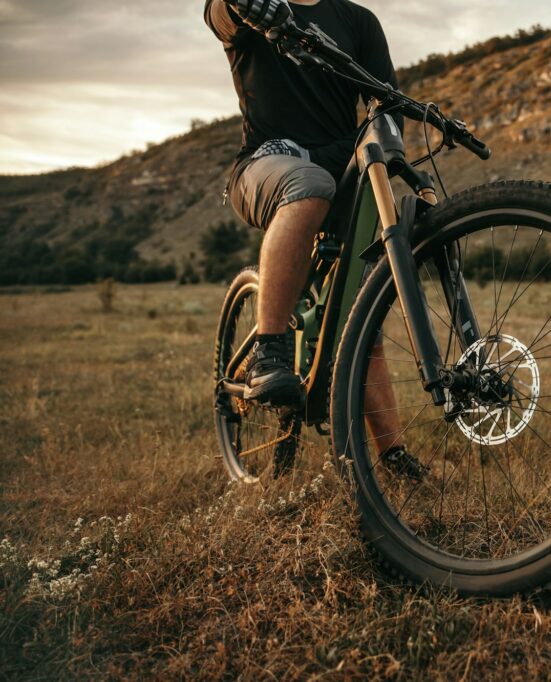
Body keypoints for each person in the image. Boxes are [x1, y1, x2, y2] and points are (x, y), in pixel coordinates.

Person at [205, 0, 424, 479]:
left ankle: (392, 454)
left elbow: (386, 99)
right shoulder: (249, 10)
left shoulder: (358, 22)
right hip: (265, 164)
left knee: (357, 306)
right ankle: (269, 348)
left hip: (341, 165)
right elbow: (222, 14)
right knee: (310, 186)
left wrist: (389, 147)